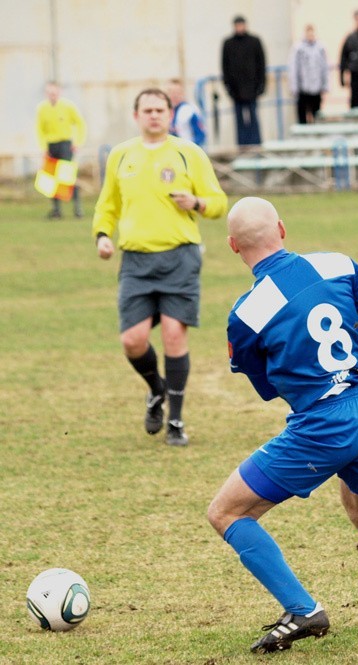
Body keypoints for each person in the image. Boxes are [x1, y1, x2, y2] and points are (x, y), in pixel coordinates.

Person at [208, 197, 358, 653]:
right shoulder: (337, 262)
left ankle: (302, 609)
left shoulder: (246, 315)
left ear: (233, 246)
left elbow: (267, 389)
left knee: (226, 512)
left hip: (325, 425)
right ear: (283, 229)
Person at [92, 88, 228, 446]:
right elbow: (108, 204)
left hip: (179, 257)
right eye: (147, 110)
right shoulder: (121, 156)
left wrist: (196, 201)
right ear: (136, 116)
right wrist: (103, 235)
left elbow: (218, 203)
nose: (154, 115)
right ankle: (156, 390)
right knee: (132, 341)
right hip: (135, 260)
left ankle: (177, 423)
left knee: (173, 334)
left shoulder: (189, 154)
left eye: (160, 110)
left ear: (170, 115)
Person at [35, 81, 86, 219]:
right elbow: (40, 130)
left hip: (65, 144)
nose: (52, 95)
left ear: (59, 93)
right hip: (51, 145)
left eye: (55, 93)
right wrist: (43, 148)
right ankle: (57, 210)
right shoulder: (42, 109)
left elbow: (80, 124)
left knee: (67, 177)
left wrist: (78, 142)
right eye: (50, 93)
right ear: (46, 94)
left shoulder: (68, 106)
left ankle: (77, 208)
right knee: (50, 179)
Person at [221, 16, 266, 146]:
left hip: (252, 88)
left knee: (253, 117)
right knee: (239, 119)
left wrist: (261, 85)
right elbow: (225, 66)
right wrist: (228, 87)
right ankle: (242, 145)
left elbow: (261, 64)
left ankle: (256, 144)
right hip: (236, 89)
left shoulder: (255, 41)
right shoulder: (228, 43)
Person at [288, 25, 329, 124]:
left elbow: (324, 68)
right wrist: (294, 87)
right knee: (302, 117)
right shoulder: (298, 48)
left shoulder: (320, 48)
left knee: (317, 116)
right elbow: (293, 68)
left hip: (316, 88)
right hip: (303, 89)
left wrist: (325, 85)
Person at [167, 78, 206, 146]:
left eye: (176, 92)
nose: (173, 95)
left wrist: (190, 148)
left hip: (186, 151)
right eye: (171, 92)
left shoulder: (189, 111)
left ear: (182, 93)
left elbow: (200, 135)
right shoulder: (164, 111)